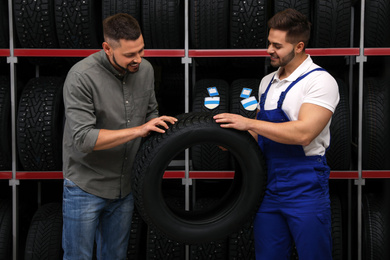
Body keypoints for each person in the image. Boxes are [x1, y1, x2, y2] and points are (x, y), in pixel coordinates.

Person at [214, 8, 339, 260]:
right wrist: (232, 140)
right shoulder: (267, 82)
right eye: (269, 42)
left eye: (277, 45)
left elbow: (304, 133)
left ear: (299, 46)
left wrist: (248, 124)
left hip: (305, 186)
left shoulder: (320, 81)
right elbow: (263, 135)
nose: (269, 49)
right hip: (268, 185)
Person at [62, 13, 177, 260]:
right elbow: (83, 139)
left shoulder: (145, 70)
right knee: (77, 257)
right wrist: (139, 130)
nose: (138, 59)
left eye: (141, 50)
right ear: (107, 48)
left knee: (115, 256)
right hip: (85, 187)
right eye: (129, 55)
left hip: (124, 188)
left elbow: (150, 113)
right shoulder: (81, 77)